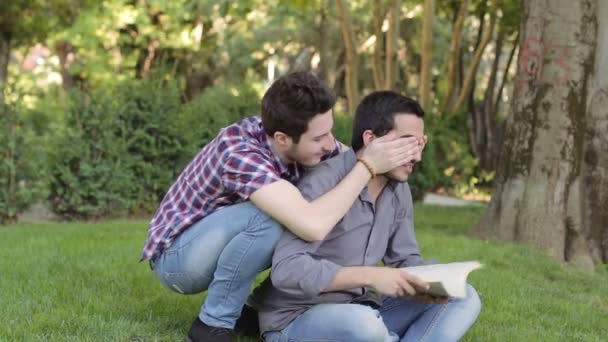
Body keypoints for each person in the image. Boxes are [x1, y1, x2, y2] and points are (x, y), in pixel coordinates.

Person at [140, 72, 422, 342]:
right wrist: (369, 166)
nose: (330, 144)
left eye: (330, 132)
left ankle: (253, 310)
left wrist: (393, 156)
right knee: (274, 218)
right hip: (179, 259)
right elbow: (312, 225)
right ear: (282, 139)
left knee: (321, 203)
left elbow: (347, 163)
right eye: (318, 138)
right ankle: (212, 324)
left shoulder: (307, 140)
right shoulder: (239, 151)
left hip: (225, 245)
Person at [251, 91, 482, 342]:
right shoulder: (323, 180)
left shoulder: (397, 187)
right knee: (364, 324)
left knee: (466, 296)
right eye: (406, 143)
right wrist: (372, 276)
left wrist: (432, 281)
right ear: (371, 139)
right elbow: (287, 270)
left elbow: (404, 258)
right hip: (298, 317)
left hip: (363, 307)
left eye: (418, 144)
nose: (416, 156)